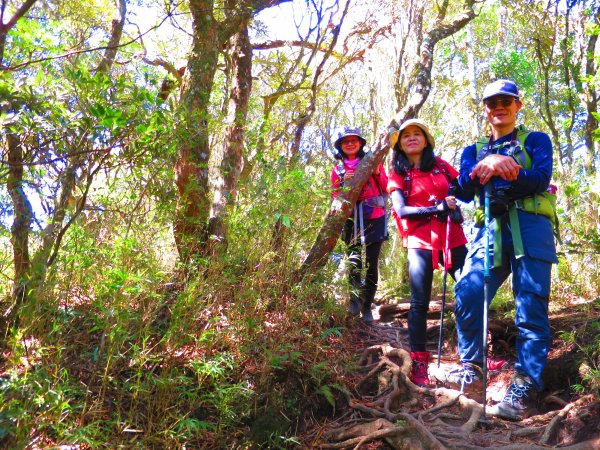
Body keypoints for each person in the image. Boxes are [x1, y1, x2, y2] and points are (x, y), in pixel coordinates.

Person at [435, 79, 558, 420]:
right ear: (485, 109)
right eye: (492, 102)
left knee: (530, 306)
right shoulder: (473, 150)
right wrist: (484, 166)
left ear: (518, 105)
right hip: (489, 227)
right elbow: (460, 189)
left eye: (506, 100)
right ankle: (472, 370)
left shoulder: (535, 140)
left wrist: (510, 168)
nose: (499, 107)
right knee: (469, 291)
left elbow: (540, 178)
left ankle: (525, 386)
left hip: (531, 227)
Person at [387, 119, 468, 386]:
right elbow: (401, 211)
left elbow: (462, 188)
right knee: (419, 302)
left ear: (426, 139)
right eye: (406, 135)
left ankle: (475, 356)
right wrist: (436, 209)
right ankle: (419, 361)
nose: (411, 138)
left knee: (470, 291)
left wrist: (455, 204)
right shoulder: (398, 173)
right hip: (419, 241)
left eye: (417, 134)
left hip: (451, 237)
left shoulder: (442, 166)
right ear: (400, 144)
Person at [331, 127, 388, 322]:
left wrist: (377, 171)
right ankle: (354, 303)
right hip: (351, 220)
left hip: (374, 217)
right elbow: (334, 196)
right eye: (345, 141)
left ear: (361, 143)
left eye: (354, 140)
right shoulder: (337, 170)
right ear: (340, 146)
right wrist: (344, 184)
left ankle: (367, 307)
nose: (350, 144)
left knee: (371, 265)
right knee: (354, 263)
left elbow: (386, 185)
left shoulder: (372, 162)